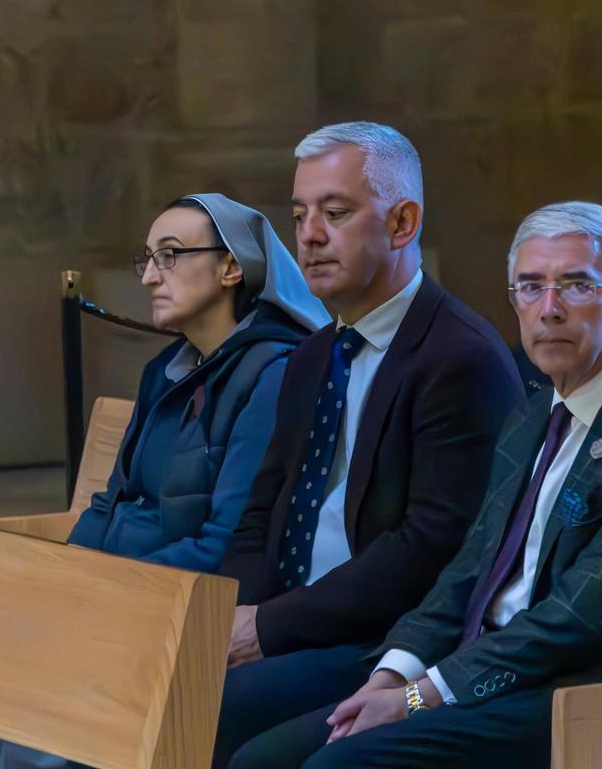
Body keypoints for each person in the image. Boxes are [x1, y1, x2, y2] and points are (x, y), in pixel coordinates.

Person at [226, 201, 602, 769]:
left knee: (336, 765)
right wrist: (392, 673)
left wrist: (417, 697)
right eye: (530, 287)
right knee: (261, 756)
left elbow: (575, 621)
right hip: (493, 660)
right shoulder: (533, 413)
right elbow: (469, 570)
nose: (548, 310)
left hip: (593, 693)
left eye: (576, 286)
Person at [0, 194, 330, 769]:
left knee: (15, 682)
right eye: (147, 259)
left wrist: (96, 594)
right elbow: (111, 500)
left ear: (233, 267)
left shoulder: (272, 375)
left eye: (171, 255)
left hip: (171, 605)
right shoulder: (165, 370)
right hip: (107, 590)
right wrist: (64, 580)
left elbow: (228, 543)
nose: (151, 275)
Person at [213, 122, 523, 765]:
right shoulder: (314, 354)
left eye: (336, 212)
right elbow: (261, 516)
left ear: (402, 223)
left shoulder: (458, 357)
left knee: (213, 710)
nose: (309, 235)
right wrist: (227, 618)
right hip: (294, 622)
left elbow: (426, 549)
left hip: (381, 643)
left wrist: (265, 630)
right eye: (299, 214)